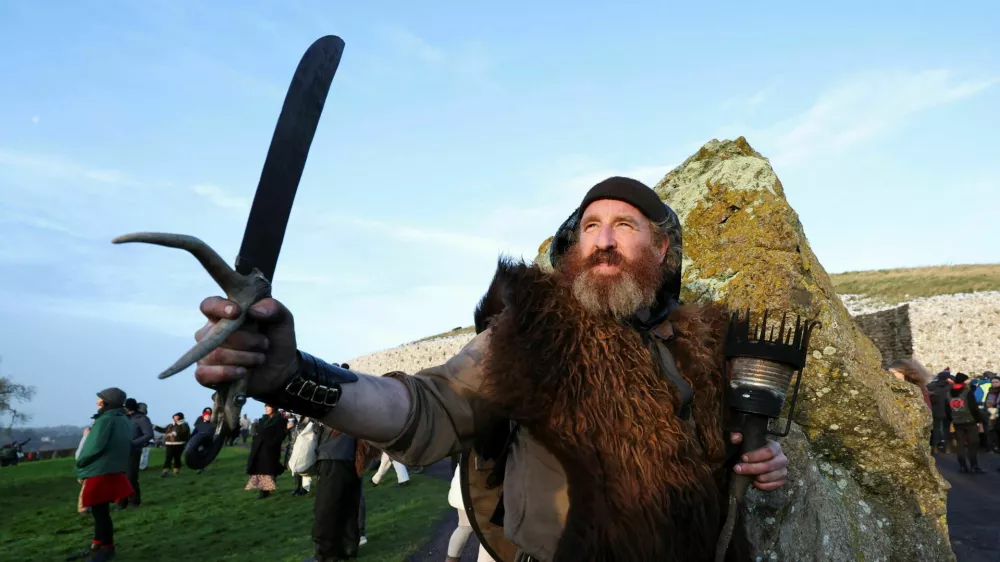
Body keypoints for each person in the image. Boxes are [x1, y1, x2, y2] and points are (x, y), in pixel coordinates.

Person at [191, 177, 789, 561]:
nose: (603, 240)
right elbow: (427, 406)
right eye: (590, 227)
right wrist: (295, 375)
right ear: (572, 249)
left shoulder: (704, 344)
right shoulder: (533, 331)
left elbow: (727, 455)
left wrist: (761, 461)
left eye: (625, 226)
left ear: (661, 249)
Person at [66, 388, 134, 561]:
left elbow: (94, 446)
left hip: (99, 471)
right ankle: (97, 544)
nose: (97, 402)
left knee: (100, 513)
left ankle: (107, 548)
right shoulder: (124, 419)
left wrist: (80, 461)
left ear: (107, 402)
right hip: (113, 469)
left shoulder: (105, 420)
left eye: (100, 399)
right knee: (100, 511)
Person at [305, 422, 377, 562]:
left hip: (333, 453)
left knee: (326, 508)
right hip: (355, 455)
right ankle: (348, 548)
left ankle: (326, 554)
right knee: (349, 505)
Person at [245, 404, 288, 499]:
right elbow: (258, 432)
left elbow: (280, 435)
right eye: (265, 407)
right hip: (260, 447)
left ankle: (265, 490)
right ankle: (264, 490)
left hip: (271, 448)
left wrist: (272, 442)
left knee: (269, 468)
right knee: (261, 469)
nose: (266, 409)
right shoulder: (263, 419)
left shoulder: (279, 420)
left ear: (274, 408)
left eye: (268, 407)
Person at [118, 398, 153, 509]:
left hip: (133, 451)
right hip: (121, 451)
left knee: (131, 477)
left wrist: (133, 443)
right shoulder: (123, 418)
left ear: (128, 407)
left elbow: (148, 434)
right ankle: (122, 503)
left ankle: (134, 502)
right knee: (120, 478)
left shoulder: (141, 419)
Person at [948, 373, 985, 473]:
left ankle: (962, 466)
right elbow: (973, 408)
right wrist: (978, 420)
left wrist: (952, 419)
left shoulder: (949, 393)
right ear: (964, 381)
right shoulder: (967, 392)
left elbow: (947, 409)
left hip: (957, 421)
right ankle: (974, 465)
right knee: (973, 443)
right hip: (970, 420)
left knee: (960, 444)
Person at [153, 412, 191, 477]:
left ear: (180, 417)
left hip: (179, 444)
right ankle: (165, 471)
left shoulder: (184, 425)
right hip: (169, 443)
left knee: (177, 458)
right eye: (174, 416)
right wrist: (154, 427)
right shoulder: (170, 425)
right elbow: (163, 430)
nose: (175, 418)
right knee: (168, 457)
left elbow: (183, 433)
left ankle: (176, 471)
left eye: (176, 416)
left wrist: (174, 433)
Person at [926, 370, 953, 452]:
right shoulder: (949, 387)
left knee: (936, 428)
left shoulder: (931, 386)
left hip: (935, 410)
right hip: (948, 410)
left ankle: (935, 446)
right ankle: (947, 447)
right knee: (946, 428)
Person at [136, 403, 151, 470]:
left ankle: (141, 466)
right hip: (141, 438)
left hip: (138, 438)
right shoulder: (144, 418)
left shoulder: (132, 417)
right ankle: (142, 466)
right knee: (144, 453)